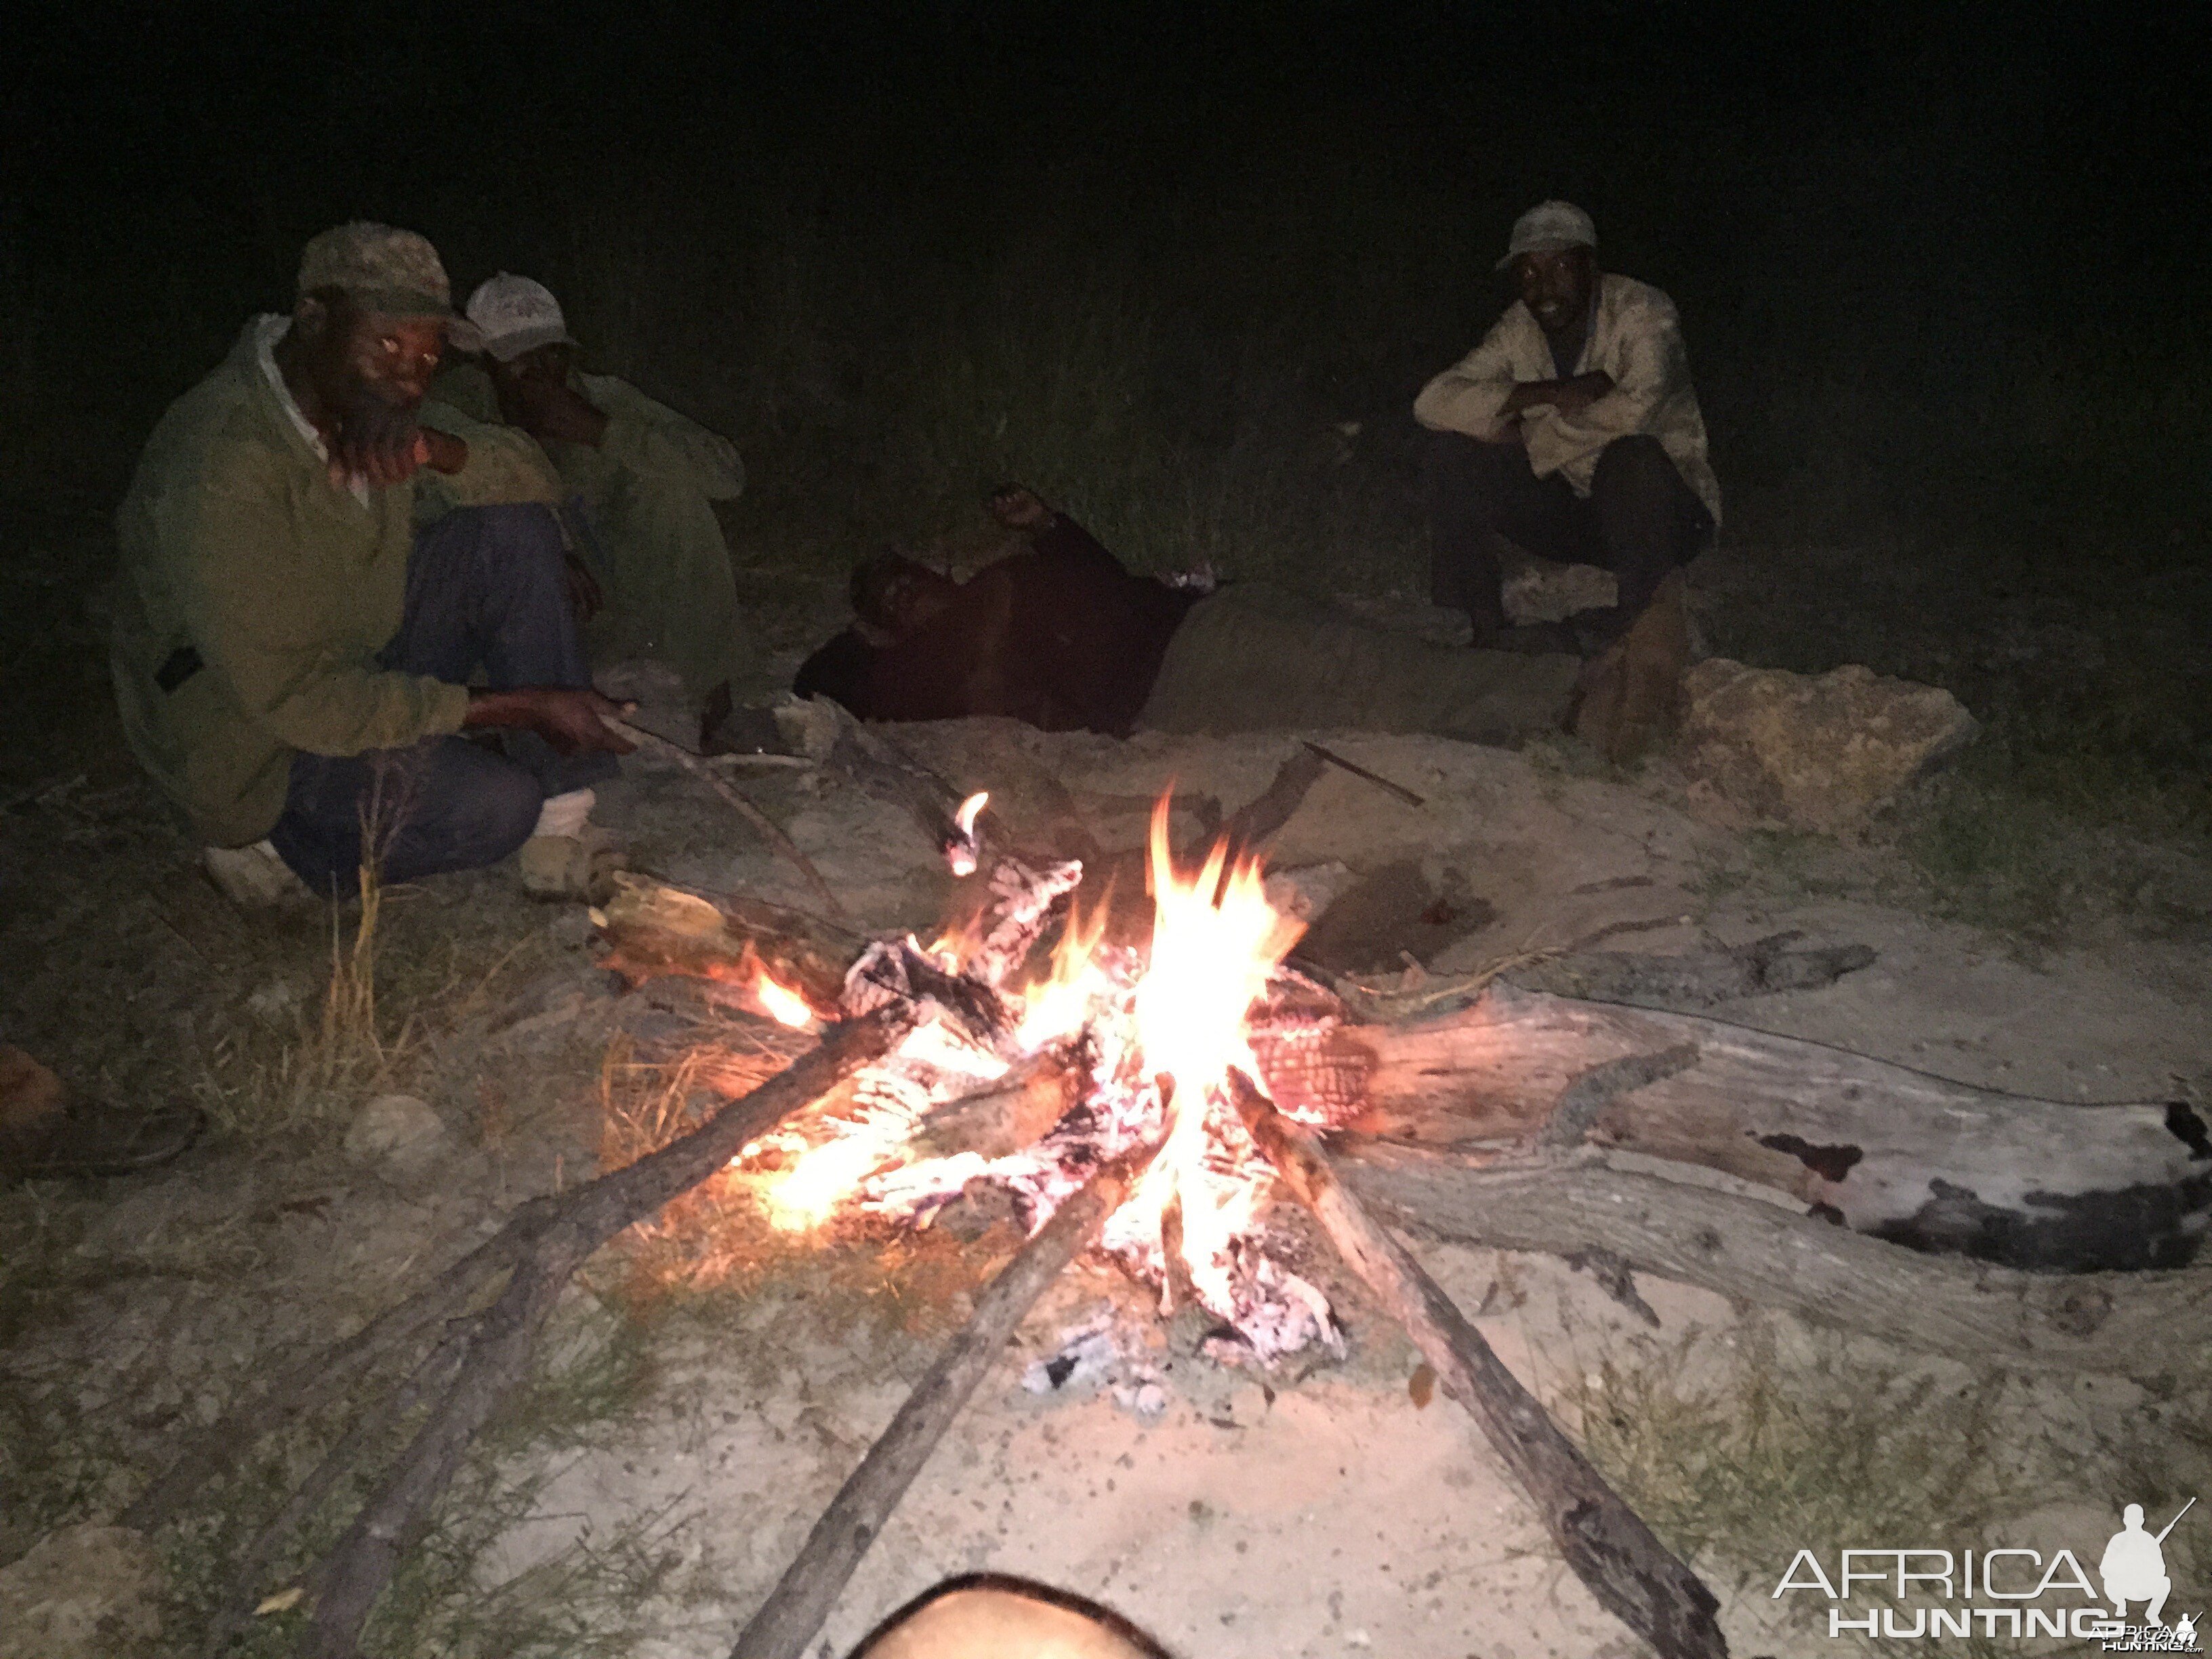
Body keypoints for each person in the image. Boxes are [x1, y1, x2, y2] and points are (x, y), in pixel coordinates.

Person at [110, 223, 634, 910]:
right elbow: (296, 698)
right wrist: (524, 706)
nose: (409, 376)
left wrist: (433, 448)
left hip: (352, 651)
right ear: (314, 319)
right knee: (495, 806)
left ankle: (562, 830)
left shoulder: (366, 409)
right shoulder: (224, 462)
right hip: (255, 740)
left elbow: (533, 476)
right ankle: (279, 850)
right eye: (386, 344)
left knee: (511, 530)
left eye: (429, 354)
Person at [796, 487, 1580, 746]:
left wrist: (1050, 527)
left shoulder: (1004, 583)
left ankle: (1548, 674)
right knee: (1364, 679)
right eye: (890, 601)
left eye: (907, 577)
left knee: (1371, 656)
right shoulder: (932, 665)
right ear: (886, 629)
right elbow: (824, 683)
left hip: (1198, 614)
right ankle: (1574, 697)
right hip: (1181, 676)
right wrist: (860, 640)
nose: (910, 593)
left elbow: (1101, 582)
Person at [1416, 201, 1720, 756]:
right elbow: (1433, 401)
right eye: (1529, 272)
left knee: (1631, 459)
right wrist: (1545, 394)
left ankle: (1635, 638)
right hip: (1578, 510)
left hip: (1668, 513)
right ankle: (1478, 629)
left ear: (1590, 267)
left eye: (1559, 267)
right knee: (1453, 450)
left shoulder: (1644, 311)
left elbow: (1636, 410)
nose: (1543, 285)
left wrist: (1527, 431)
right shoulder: (1519, 328)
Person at [434, 274, 752, 735]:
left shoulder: (597, 397)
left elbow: (727, 477)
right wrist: (539, 545)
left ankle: (721, 694)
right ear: (484, 364)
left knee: (669, 486)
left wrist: (602, 431)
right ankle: (489, 712)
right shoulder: (455, 403)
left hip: (604, 610)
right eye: (520, 361)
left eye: (553, 353)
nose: (543, 373)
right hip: (507, 611)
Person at [2100, 1504, 2174, 1625]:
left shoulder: (2149, 1540)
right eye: (2131, 1520)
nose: (2133, 1523)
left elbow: (2161, 1570)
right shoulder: (2117, 1540)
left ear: (2142, 1521)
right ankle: (2121, 1604)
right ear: (2125, 1521)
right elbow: (2104, 1569)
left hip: (2144, 1589)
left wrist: (2145, 1567)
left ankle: (2153, 1614)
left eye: (2136, 1520)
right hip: (2122, 1588)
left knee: (2165, 1582)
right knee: (2108, 1582)